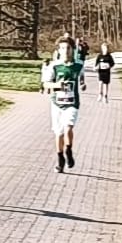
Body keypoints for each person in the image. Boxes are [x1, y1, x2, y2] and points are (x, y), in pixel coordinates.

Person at [43, 37, 87, 173]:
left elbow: (81, 76)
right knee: (59, 133)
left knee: (68, 128)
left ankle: (68, 150)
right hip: (57, 104)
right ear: (58, 51)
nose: (65, 51)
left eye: (68, 48)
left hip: (72, 103)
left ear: (72, 50)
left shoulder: (79, 64)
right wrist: (57, 85)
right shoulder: (54, 66)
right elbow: (45, 84)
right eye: (62, 48)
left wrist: (82, 83)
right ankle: (60, 159)